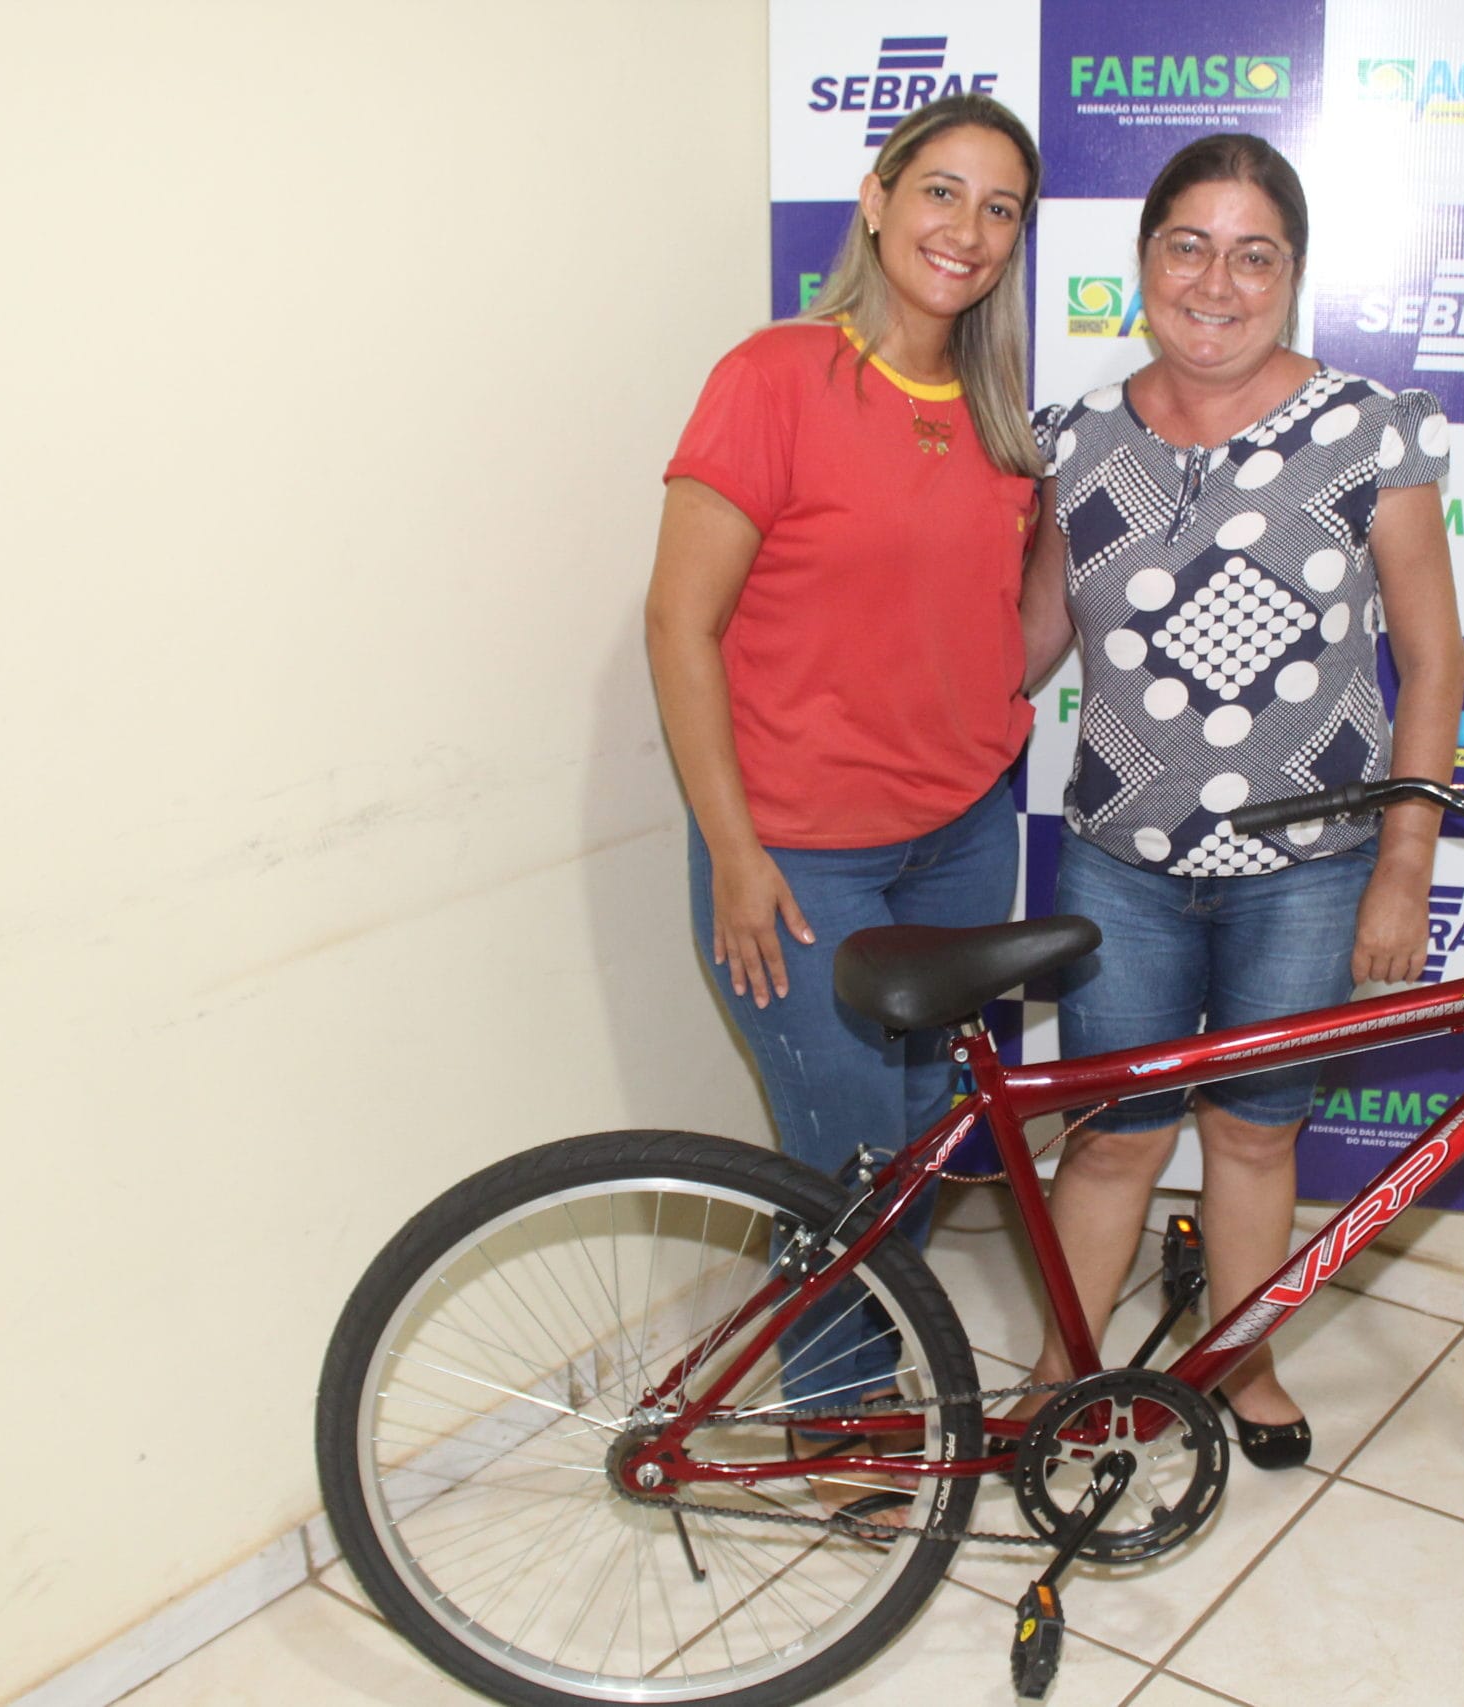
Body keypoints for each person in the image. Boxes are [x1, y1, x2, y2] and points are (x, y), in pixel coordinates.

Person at [1017, 133, 1464, 1468]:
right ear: (1144, 261)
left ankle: (1241, 1359)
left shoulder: (1369, 431)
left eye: (1253, 255)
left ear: (1294, 274)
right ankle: (1061, 1369)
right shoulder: (1077, 441)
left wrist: (1404, 866)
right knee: (1113, 1142)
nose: (1217, 282)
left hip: (1311, 870)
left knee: (1256, 1138)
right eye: (1189, 247)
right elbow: (1027, 645)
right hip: (1119, 865)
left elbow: (1434, 660)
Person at [645, 95, 1043, 1496]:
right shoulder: (774, 375)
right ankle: (833, 1425)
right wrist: (735, 850)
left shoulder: (1000, 417)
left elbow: (981, 616)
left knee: (917, 1145)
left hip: (962, 842)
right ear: (876, 200)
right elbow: (678, 624)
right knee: (846, 1159)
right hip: (802, 856)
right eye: (941, 191)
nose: (967, 230)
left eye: (1000, 208)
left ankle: (860, 1380)